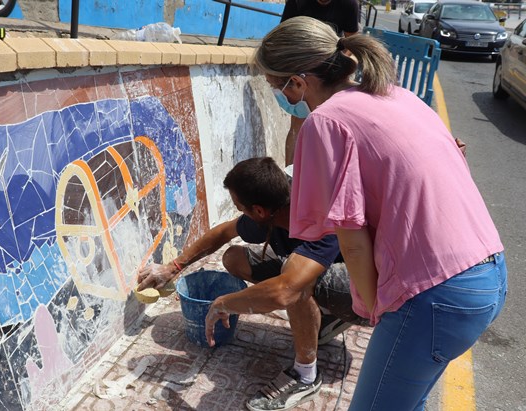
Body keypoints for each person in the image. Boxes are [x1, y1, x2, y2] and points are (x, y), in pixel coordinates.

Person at [252, 16, 507, 410]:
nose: (280, 95)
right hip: (489, 274)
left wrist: (374, 310)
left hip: (436, 296)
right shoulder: (396, 95)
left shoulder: (325, 122)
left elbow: (350, 240)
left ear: (298, 82)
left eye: (276, 85)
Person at [137, 157, 366, 411]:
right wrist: (174, 267)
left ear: (258, 211)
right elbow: (224, 233)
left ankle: (305, 375)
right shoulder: (278, 203)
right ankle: (324, 320)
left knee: (295, 284)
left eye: (240, 207)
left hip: (366, 292)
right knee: (234, 258)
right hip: (325, 270)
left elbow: (284, 291)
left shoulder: (319, 218)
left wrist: (224, 304)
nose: (239, 213)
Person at [280, 0, 360, 166]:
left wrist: (335, 62)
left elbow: (352, 39)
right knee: (297, 123)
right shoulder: (298, 2)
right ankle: (290, 177)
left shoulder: (349, 4)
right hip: (302, 67)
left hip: (332, 70)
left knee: (330, 123)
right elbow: (284, 33)